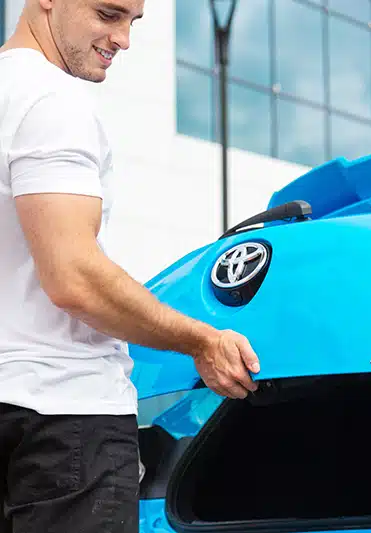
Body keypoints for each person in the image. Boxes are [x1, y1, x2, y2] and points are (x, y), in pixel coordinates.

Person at [0, 1, 262, 531]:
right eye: (108, 14)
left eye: (132, 21)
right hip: (61, 422)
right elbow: (75, 277)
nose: (123, 39)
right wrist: (202, 341)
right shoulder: (51, 100)